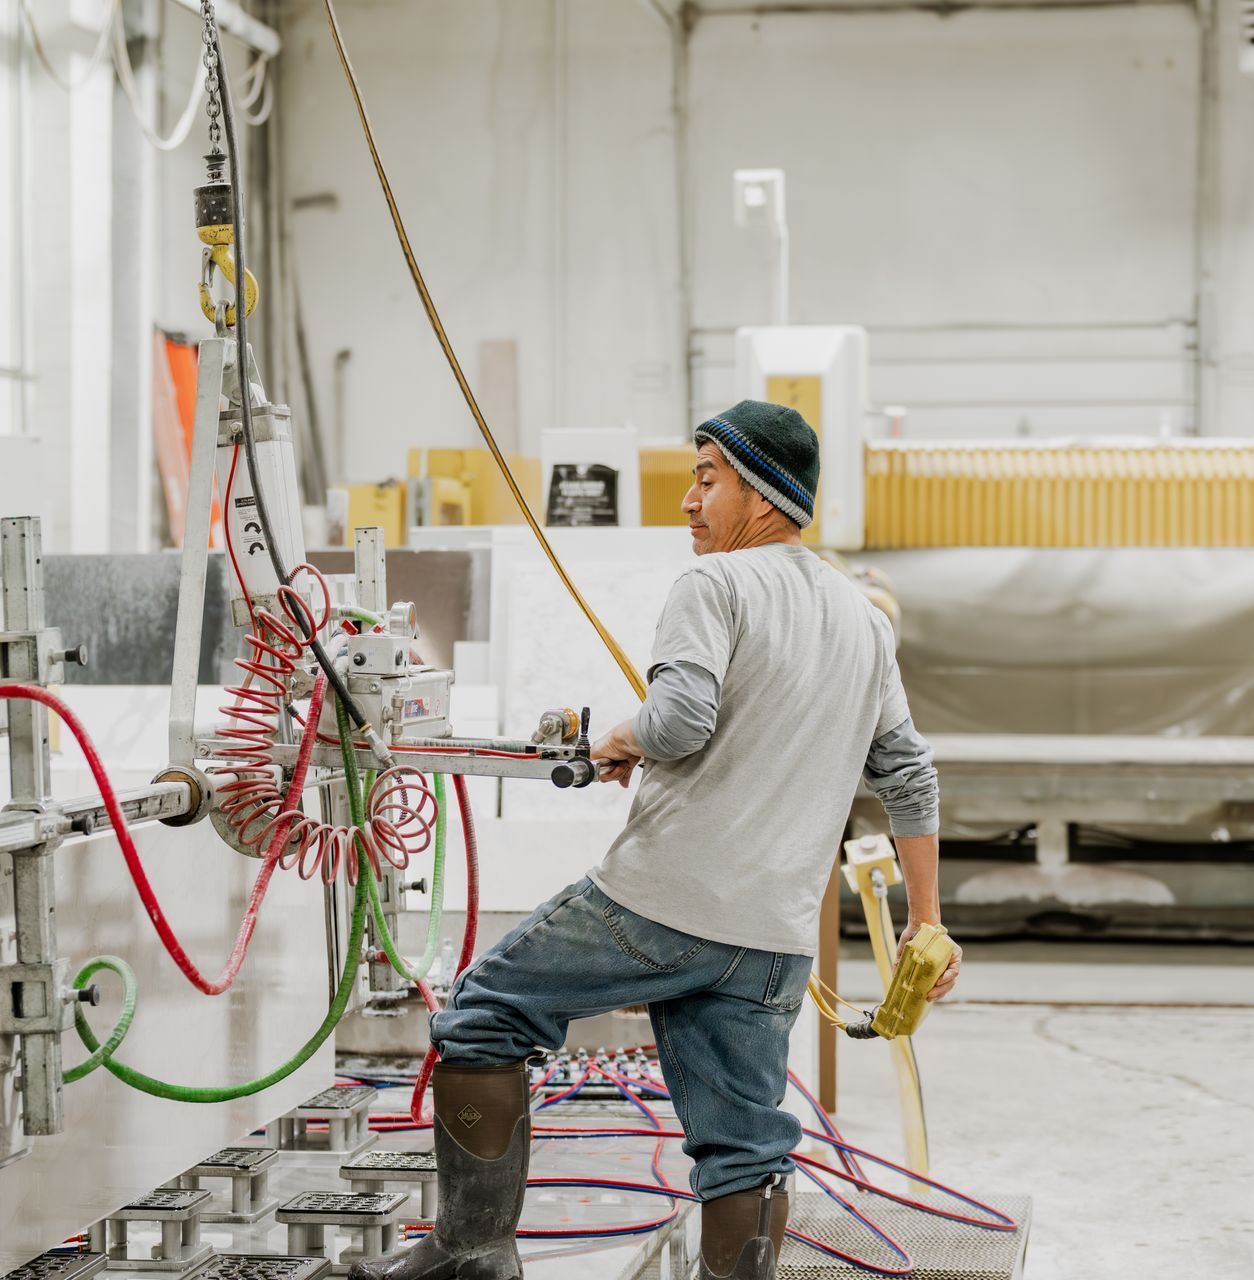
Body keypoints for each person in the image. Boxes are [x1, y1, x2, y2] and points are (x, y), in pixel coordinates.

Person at [354, 400, 957, 1280]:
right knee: (746, 1144)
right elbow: (910, 774)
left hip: (661, 902)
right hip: (771, 938)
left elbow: (678, 724)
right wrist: (925, 923)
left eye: (706, 477)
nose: (688, 500)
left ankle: (472, 1252)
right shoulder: (863, 619)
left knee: (484, 1016)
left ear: (761, 491)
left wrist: (618, 739)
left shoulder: (713, 586)